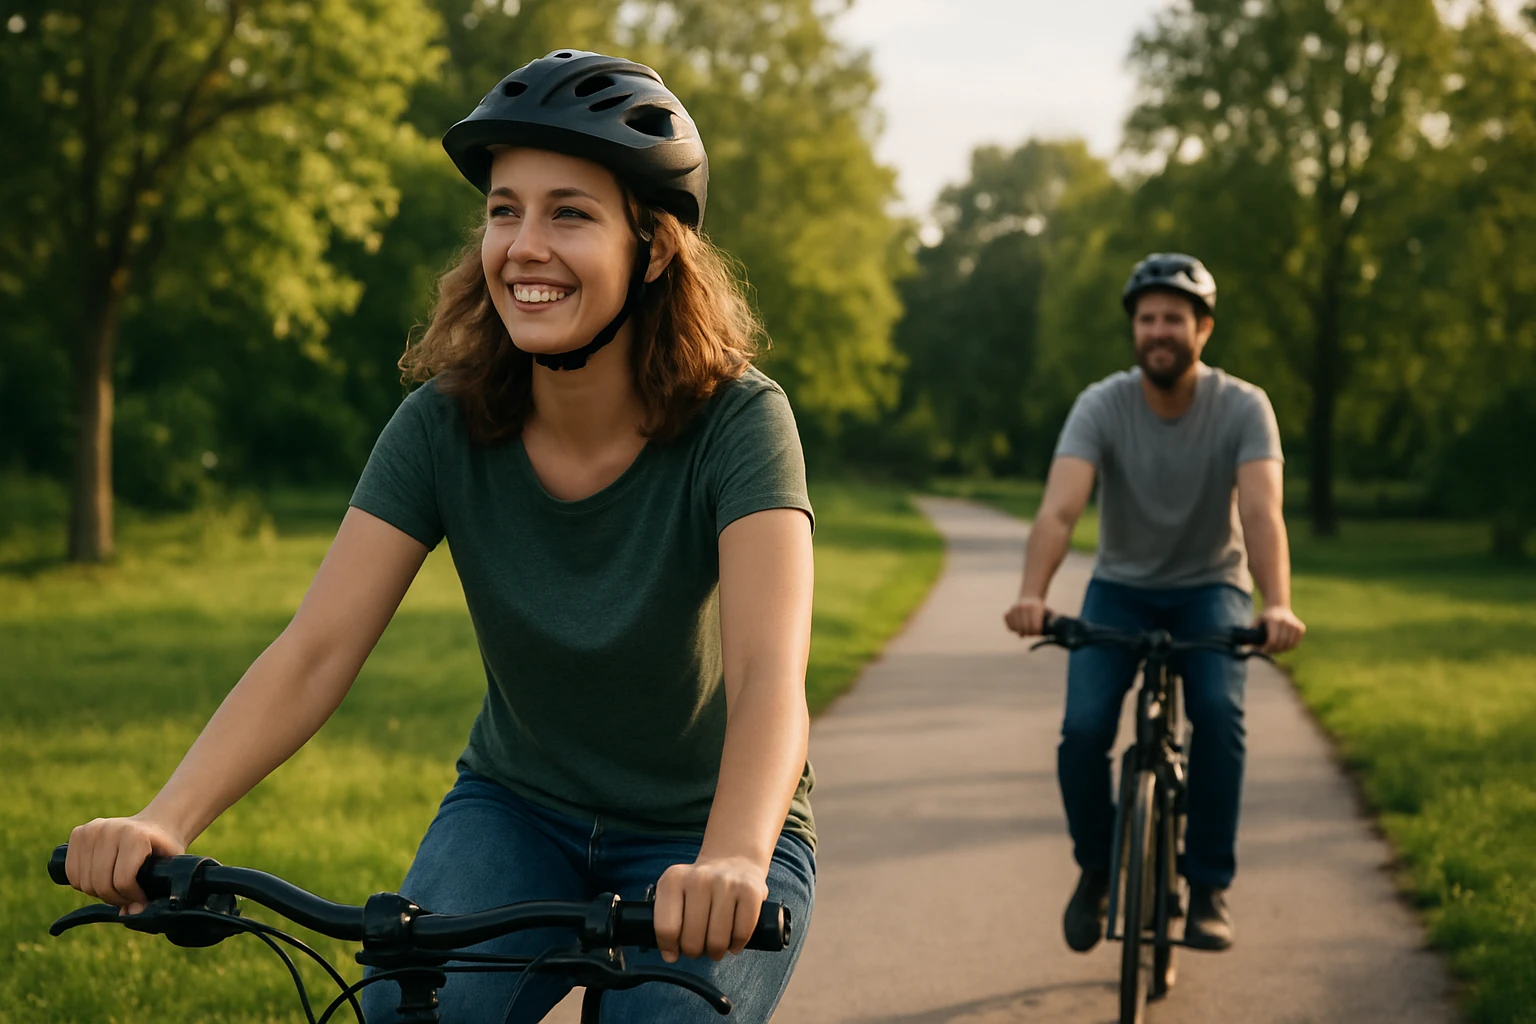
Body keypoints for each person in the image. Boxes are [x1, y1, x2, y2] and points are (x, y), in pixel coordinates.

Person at [62, 50, 817, 1023]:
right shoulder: (443, 423)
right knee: (406, 1008)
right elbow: (315, 649)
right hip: (520, 808)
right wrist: (163, 820)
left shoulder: (740, 422)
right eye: (504, 209)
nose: (523, 245)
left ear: (655, 248)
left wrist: (733, 857)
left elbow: (767, 675)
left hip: (708, 826)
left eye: (569, 212)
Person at [1003, 253, 1305, 953]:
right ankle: (1099, 870)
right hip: (1123, 589)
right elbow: (1059, 511)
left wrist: (1278, 603)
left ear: (1203, 329)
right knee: (1082, 730)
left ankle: (1207, 887)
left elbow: (1262, 514)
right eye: (1147, 319)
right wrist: (1031, 596)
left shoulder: (1244, 406)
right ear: (1134, 330)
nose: (1159, 330)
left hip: (1213, 587)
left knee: (1220, 716)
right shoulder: (1102, 403)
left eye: (1174, 318)